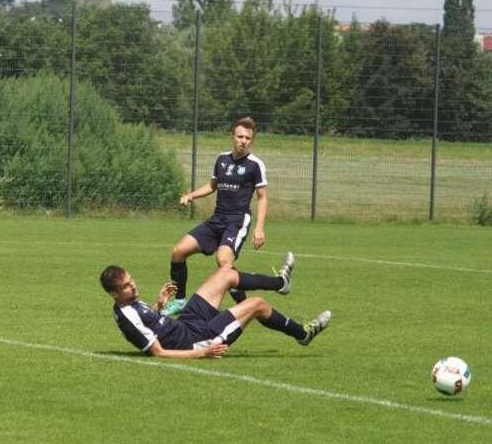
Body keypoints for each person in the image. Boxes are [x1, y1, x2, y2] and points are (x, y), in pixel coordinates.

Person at [100, 252, 331, 358]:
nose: (133, 286)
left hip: (187, 324)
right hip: (197, 339)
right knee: (257, 304)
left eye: (131, 281)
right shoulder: (126, 315)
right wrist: (203, 352)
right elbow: (158, 352)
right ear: (114, 294)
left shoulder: (130, 302)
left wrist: (159, 306)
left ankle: (281, 283)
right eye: (126, 286)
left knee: (225, 273)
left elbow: (152, 324)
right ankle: (303, 334)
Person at [166, 116, 268, 316]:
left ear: (252, 140)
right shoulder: (222, 159)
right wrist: (191, 195)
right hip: (217, 219)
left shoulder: (255, 165)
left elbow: (262, 197)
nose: (243, 141)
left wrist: (259, 228)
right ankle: (179, 301)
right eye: (240, 136)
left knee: (223, 262)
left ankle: (244, 306)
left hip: (237, 220)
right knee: (178, 251)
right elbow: (213, 186)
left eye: (247, 138)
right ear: (232, 136)